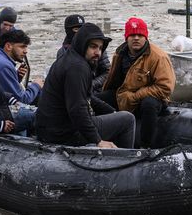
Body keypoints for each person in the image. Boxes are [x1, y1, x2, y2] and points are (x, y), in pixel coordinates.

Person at [34, 22, 136, 149]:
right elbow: (77, 109)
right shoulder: (78, 68)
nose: (98, 53)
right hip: (64, 134)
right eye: (93, 47)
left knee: (117, 115)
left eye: (100, 48)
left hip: (50, 129)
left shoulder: (68, 59)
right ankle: (126, 160)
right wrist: (98, 140)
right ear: (83, 45)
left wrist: (112, 112)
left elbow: (87, 97)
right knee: (127, 119)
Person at [100, 17, 175, 148]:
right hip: (125, 95)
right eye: (132, 35)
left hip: (151, 99)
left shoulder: (159, 57)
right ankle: (101, 137)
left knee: (149, 104)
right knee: (98, 99)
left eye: (140, 35)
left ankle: (146, 146)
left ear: (145, 37)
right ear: (126, 38)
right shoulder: (119, 53)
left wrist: (135, 96)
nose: (136, 38)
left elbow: (165, 87)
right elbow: (113, 82)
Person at [0, 28, 43, 109]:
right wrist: (36, 85)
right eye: (22, 47)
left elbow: (3, 89)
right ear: (8, 46)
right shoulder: (4, 65)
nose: (25, 51)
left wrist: (16, 78)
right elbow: (22, 100)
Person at [57, 13, 111, 92]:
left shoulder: (97, 48)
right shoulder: (62, 52)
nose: (79, 33)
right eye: (76, 29)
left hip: (95, 91)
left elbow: (108, 72)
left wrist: (91, 85)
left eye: (82, 29)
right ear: (68, 31)